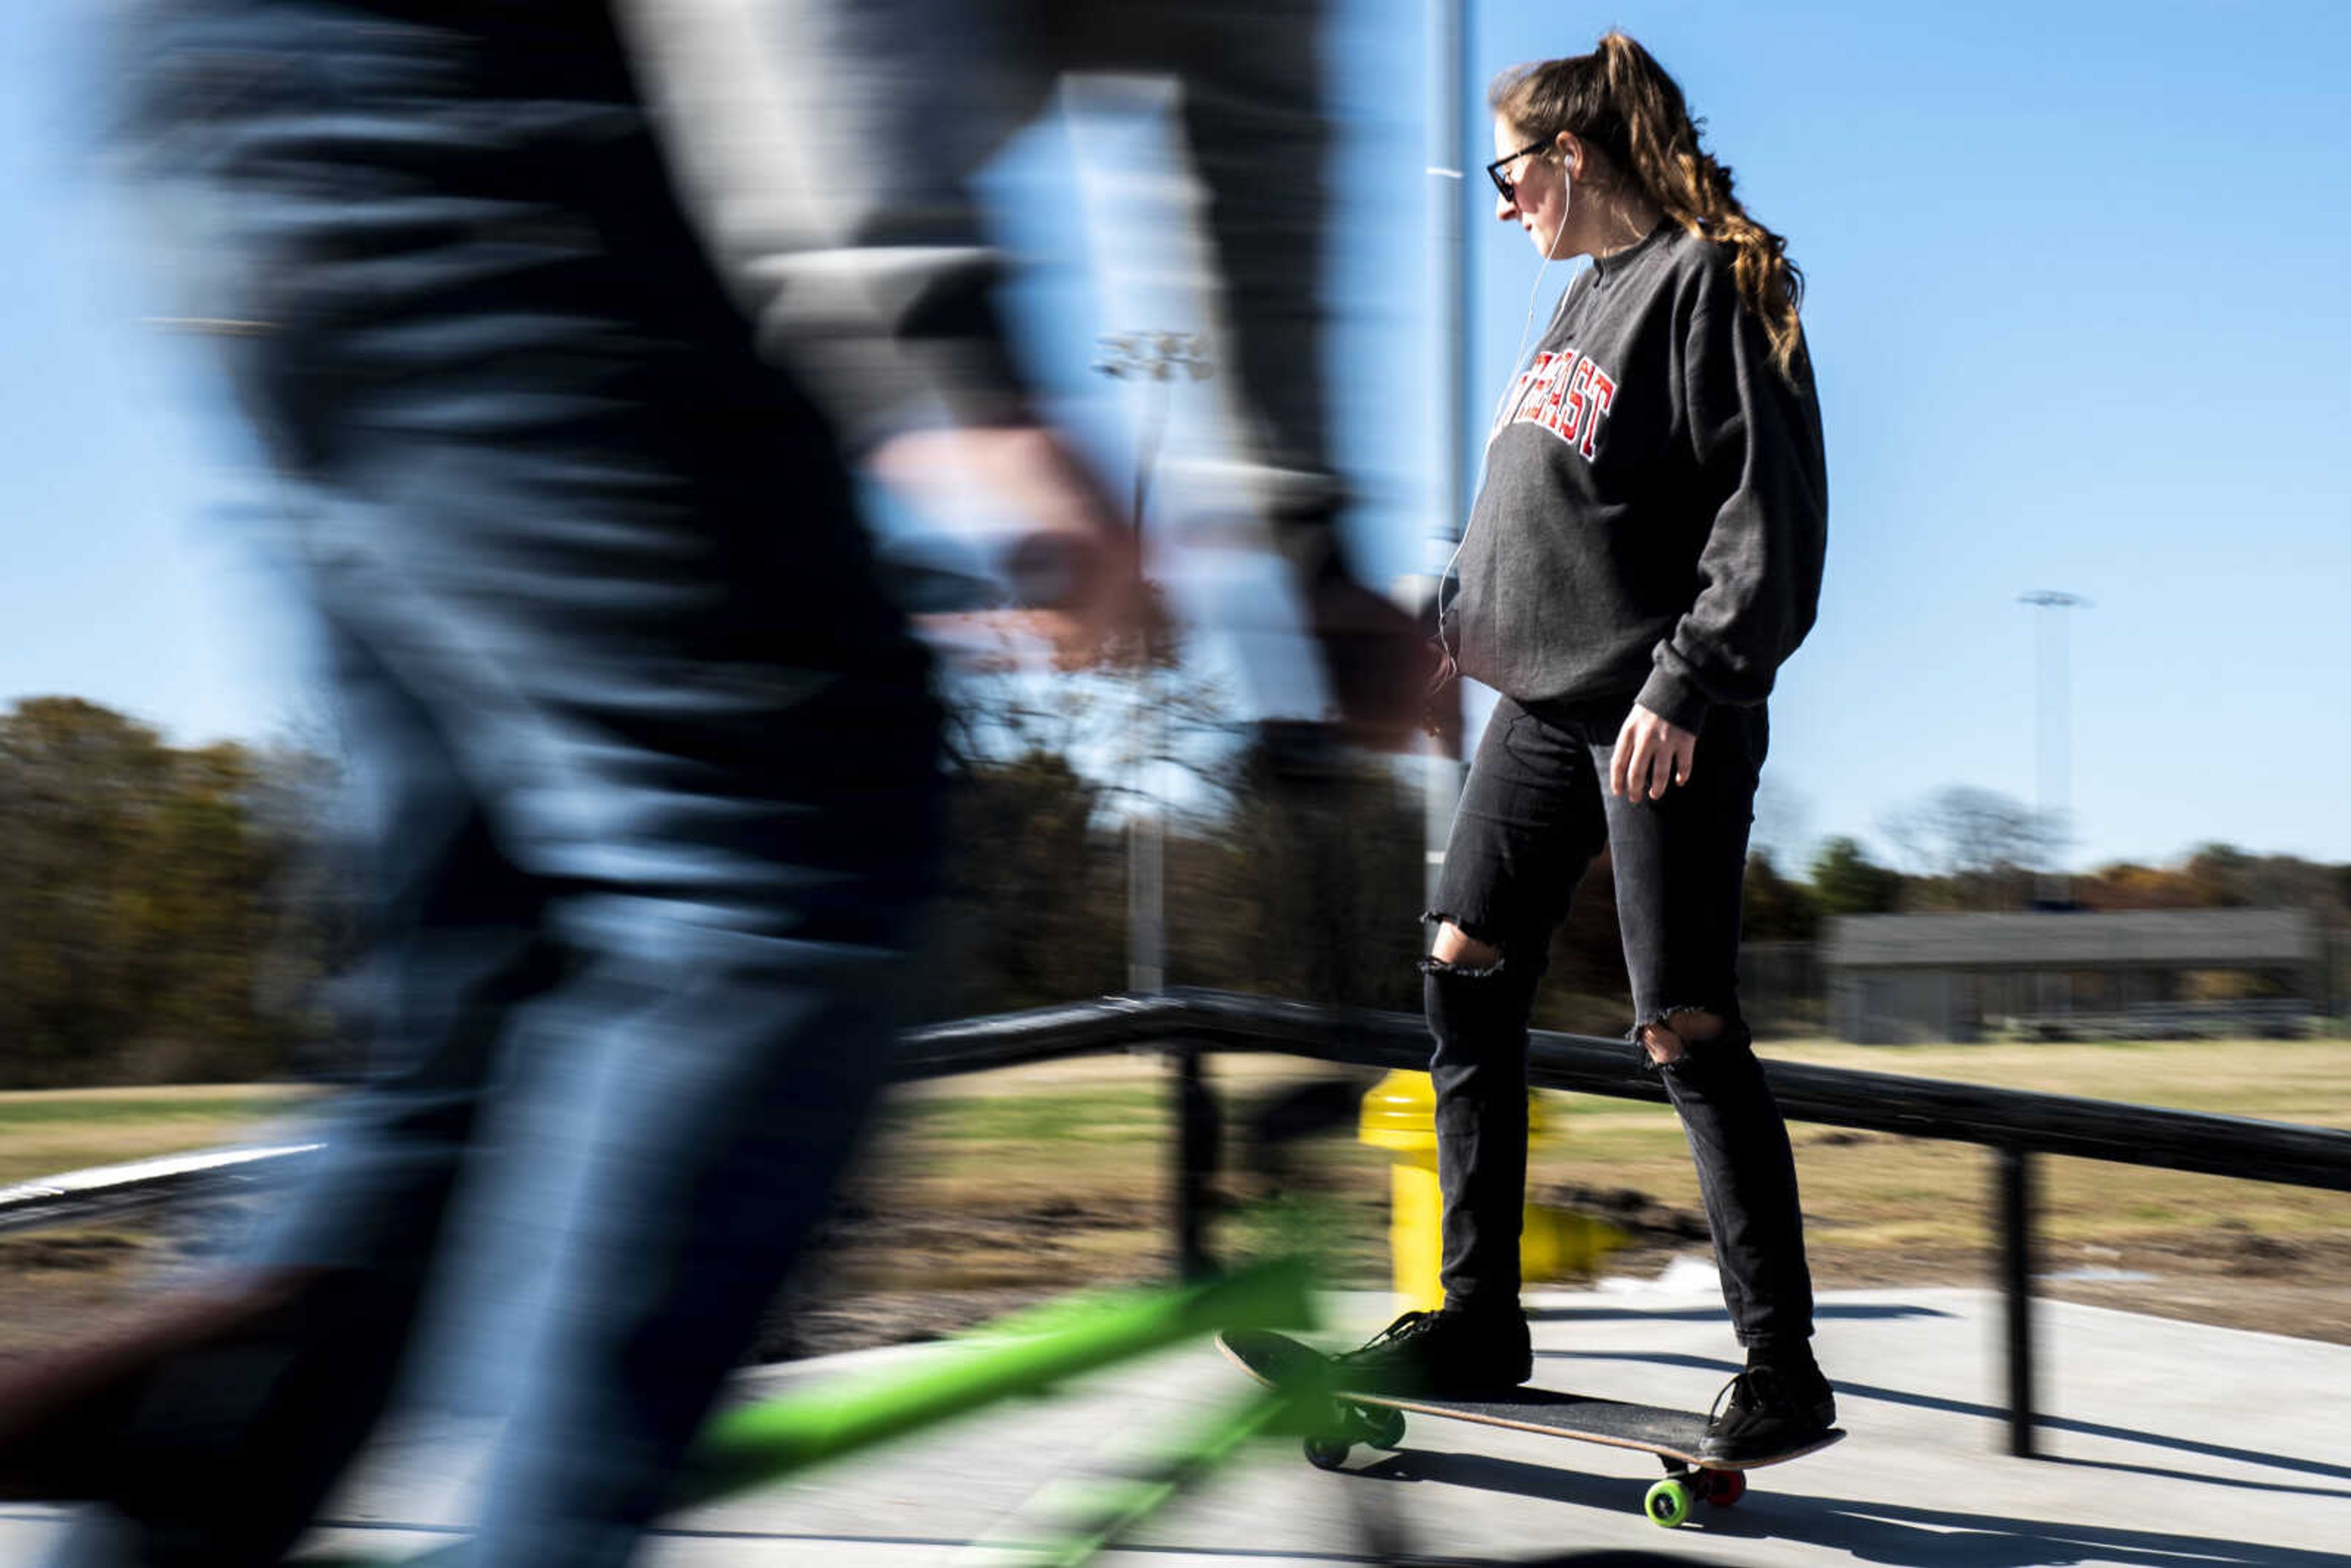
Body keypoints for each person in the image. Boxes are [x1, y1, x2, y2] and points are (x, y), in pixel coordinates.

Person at [0, 1, 1419, 1564]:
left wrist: (1313, 551)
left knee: (479, 1031)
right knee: (782, 895)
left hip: (285, 128)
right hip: (500, 128)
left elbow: (1250, 121)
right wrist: (953, 356)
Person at [1332, 31, 1834, 1464]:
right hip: (1541, 706)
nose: (1500, 203)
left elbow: (1768, 522)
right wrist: (1441, 631)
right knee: (1462, 959)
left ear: (1569, 155)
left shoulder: (1709, 280)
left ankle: (1781, 1369)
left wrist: (1692, 683)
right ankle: (1479, 1313)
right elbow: (1537, 527)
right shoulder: (1577, 302)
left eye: (1508, 171)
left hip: (1659, 712)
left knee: (1683, 1022)